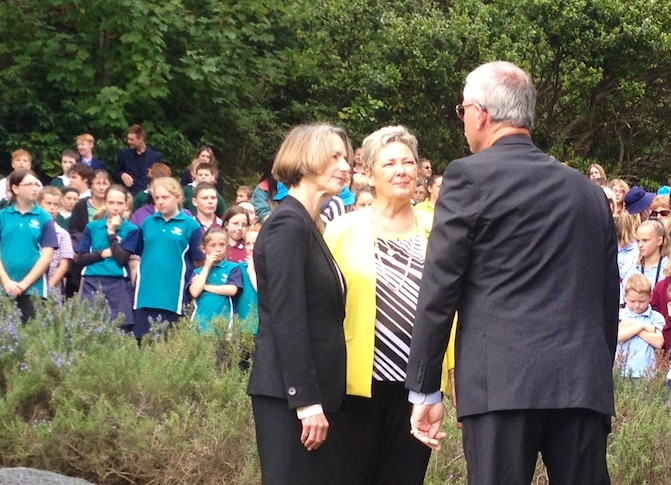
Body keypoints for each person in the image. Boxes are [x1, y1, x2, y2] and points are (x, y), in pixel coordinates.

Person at [405, 61, 618, 485]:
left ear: (481, 114)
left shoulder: (469, 177)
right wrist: (592, 370)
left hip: (500, 384)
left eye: (462, 109)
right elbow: (606, 299)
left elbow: (440, 288)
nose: (462, 118)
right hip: (580, 383)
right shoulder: (589, 193)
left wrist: (426, 388)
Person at [324, 125, 441, 485]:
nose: (401, 170)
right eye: (389, 163)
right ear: (369, 173)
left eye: (409, 162)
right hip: (353, 385)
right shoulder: (343, 230)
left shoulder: (439, 229)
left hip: (416, 386)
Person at [247, 124, 350, 485]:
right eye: (334, 156)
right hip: (291, 400)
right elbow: (287, 318)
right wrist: (306, 403)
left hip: (311, 397)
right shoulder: (288, 225)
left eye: (346, 157)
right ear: (306, 159)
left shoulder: (307, 224)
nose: (345, 165)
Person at [133, 177, 205, 338]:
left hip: (174, 297)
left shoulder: (191, 225)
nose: (160, 202)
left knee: (170, 348)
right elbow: (138, 252)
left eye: (165, 197)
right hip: (145, 295)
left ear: (178, 197)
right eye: (157, 198)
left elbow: (199, 260)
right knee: (143, 346)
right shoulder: (146, 223)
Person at [75, 185, 141, 329]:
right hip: (92, 281)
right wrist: (102, 254)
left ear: (126, 205)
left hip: (118, 282)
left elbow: (122, 259)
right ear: (105, 203)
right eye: (111, 203)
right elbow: (80, 258)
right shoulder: (92, 227)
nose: (115, 207)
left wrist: (112, 233)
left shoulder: (132, 230)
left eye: (119, 203)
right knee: (89, 327)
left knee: (120, 328)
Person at [0, 170, 58, 321]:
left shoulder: (44, 218)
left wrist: (23, 284)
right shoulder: (2, 216)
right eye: (29, 184)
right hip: (3, 288)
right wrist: (6, 281)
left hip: (34, 290)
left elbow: (47, 256)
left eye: (36, 184)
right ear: (15, 188)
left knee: (31, 338)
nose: (35, 188)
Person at [188, 226, 242, 335]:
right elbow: (194, 292)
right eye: (213, 245)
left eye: (222, 244)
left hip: (224, 327)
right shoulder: (198, 272)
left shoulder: (233, 268)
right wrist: (207, 266)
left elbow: (232, 290)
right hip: (199, 326)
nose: (218, 249)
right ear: (204, 249)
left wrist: (206, 287)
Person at [616, 273, 665, 378]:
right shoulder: (621, 314)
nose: (637, 305)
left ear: (650, 297)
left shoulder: (656, 317)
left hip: (646, 373)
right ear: (625, 297)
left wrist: (635, 327)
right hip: (621, 372)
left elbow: (659, 341)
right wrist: (642, 326)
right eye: (632, 301)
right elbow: (619, 336)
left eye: (642, 301)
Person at [37, 186, 74, 298]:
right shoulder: (30, 230)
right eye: (48, 203)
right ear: (39, 204)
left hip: (52, 286)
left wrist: (50, 286)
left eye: (55, 205)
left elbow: (64, 265)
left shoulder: (62, 234)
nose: (52, 208)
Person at [114, 124, 162, 196]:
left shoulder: (155, 156)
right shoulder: (124, 155)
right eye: (128, 139)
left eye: (131, 139)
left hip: (148, 196)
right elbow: (115, 173)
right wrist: (122, 174)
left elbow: (160, 177)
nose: (128, 141)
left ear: (141, 139)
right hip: (129, 196)